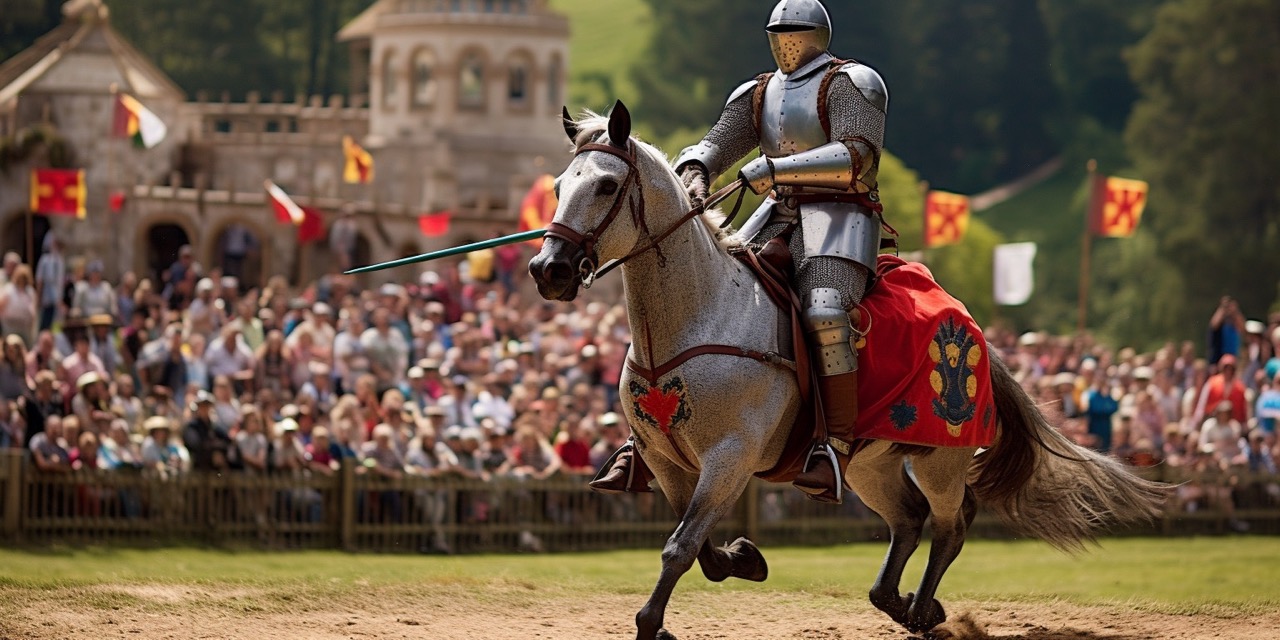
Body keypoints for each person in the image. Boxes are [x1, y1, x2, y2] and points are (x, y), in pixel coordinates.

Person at [592, 0, 888, 503]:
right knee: (702, 293)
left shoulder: (852, 81)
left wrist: (775, 170)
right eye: (777, 32)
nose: (785, 41)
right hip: (773, 216)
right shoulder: (758, 93)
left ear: (817, 32)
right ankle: (645, 440)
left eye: (793, 31)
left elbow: (856, 158)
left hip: (839, 219)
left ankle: (833, 447)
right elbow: (712, 144)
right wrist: (696, 171)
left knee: (825, 312)